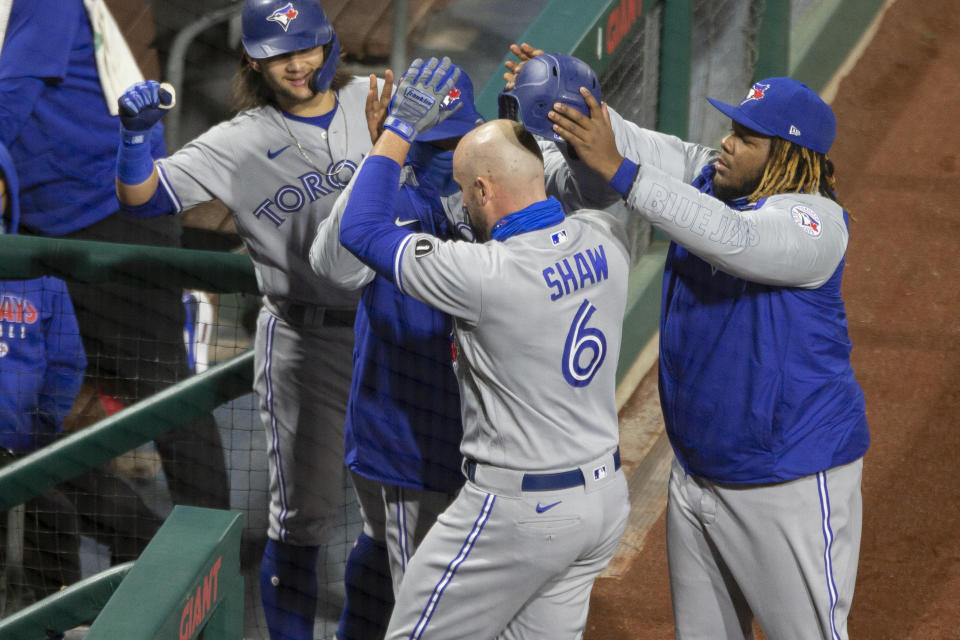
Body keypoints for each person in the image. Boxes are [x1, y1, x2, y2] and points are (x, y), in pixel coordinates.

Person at [535, 56, 870, 639]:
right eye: (731, 128)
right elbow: (635, 143)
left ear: (787, 156)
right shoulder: (711, 177)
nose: (726, 142)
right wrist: (564, 90)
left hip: (787, 473)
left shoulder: (816, 225)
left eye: (745, 137)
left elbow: (733, 238)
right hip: (698, 470)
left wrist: (622, 172)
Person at [112, 1, 388, 637]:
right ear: (254, 63)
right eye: (279, 55)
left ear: (330, 48)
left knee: (392, 512)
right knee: (303, 519)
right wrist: (133, 140)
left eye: (307, 49)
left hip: (389, 331)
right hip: (305, 343)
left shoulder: (374, 98)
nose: (296, 65)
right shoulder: (237, 141)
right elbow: (144, 199)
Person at [338, 56, 631, 640]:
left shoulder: (484, 274)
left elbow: (360, 230)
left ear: (481, 189)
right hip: (602, 501)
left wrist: (396, 133)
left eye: (469, 194)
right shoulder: (607, 237)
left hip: (520, 511)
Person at [0, 0, 229, 511]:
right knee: (29, 411)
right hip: (37, 221)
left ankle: (213, 558)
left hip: (110, 213)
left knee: (162, 390)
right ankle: (92, 558)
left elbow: (9, 99)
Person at [309, 65, 484, 639]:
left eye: (456, 141)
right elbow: (331, 266)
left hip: (480, 435)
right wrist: (383, 154)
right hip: (407, 435)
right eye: (434, 143)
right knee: (425, 606)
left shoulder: (493, 191)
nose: (449, 156)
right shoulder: (386, 195)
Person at [0, 148, 161, 606]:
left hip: (39, 439)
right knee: (55, 519)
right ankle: (50, 624)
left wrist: (46, 422)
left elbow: (66, 362)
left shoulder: (41, 274)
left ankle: (112, 623)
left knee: (136, 522)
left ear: (9, 192)